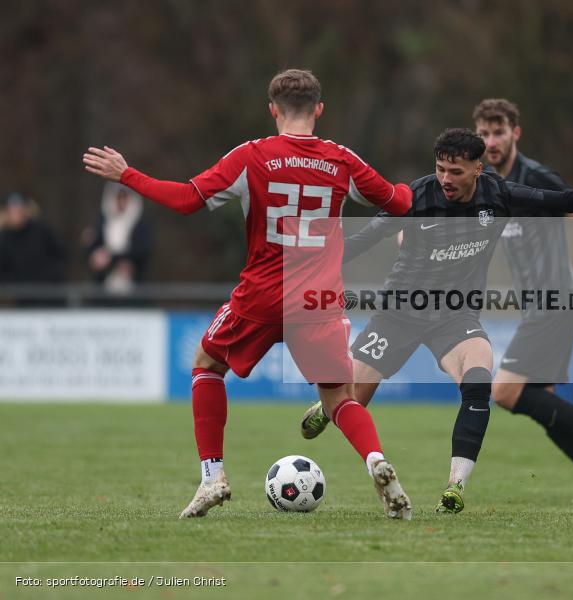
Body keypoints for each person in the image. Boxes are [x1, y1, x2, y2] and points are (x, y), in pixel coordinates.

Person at [83, 69, 414, 520]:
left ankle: (212, 477)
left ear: (273, 110)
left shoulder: (252, 156)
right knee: (340, 399)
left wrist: (127, 175)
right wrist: (413, 189)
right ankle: (375, 460)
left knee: (207, 365)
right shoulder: (341, 159)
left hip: (262, 295)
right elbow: (398, 202)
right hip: (318, 300)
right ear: (319, 110)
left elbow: (186, 200)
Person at [300, 128, 573, 513]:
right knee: (347, 404)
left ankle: (455, 486)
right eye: (440, 169)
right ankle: (326, 408)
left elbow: (562, 199)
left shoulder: (498, 194)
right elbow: (364, 239)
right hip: (399, 313)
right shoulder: (416, 197)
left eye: (456, 171)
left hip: (455, 315)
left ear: (478, 169)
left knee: (479, 383)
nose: (446, 178)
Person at [473, 98, 573, 503]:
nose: (491, 141)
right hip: (537, 304)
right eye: (484, 134)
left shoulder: (536, 177)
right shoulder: (486, 183)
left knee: (504, 392)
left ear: (515, 133)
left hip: (555, 299)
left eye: (499, 132)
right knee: (543, 402)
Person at [81, 183, 153, 296]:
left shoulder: (141, 223)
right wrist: (94, 255)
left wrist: (121, 260)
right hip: (103, 284)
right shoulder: (101, 221)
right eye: (118, 198)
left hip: (134, 284)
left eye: (125, 198)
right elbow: (89, 248)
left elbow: (144, 250)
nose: (121, 202)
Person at [0, 193, 66, 294]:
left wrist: (51, 277)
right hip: (22, 294)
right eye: (11, 211)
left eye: (18, 210)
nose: (15, 214)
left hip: (49, 291)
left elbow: (61, 253)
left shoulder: (42, 230)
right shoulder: (4, 237)